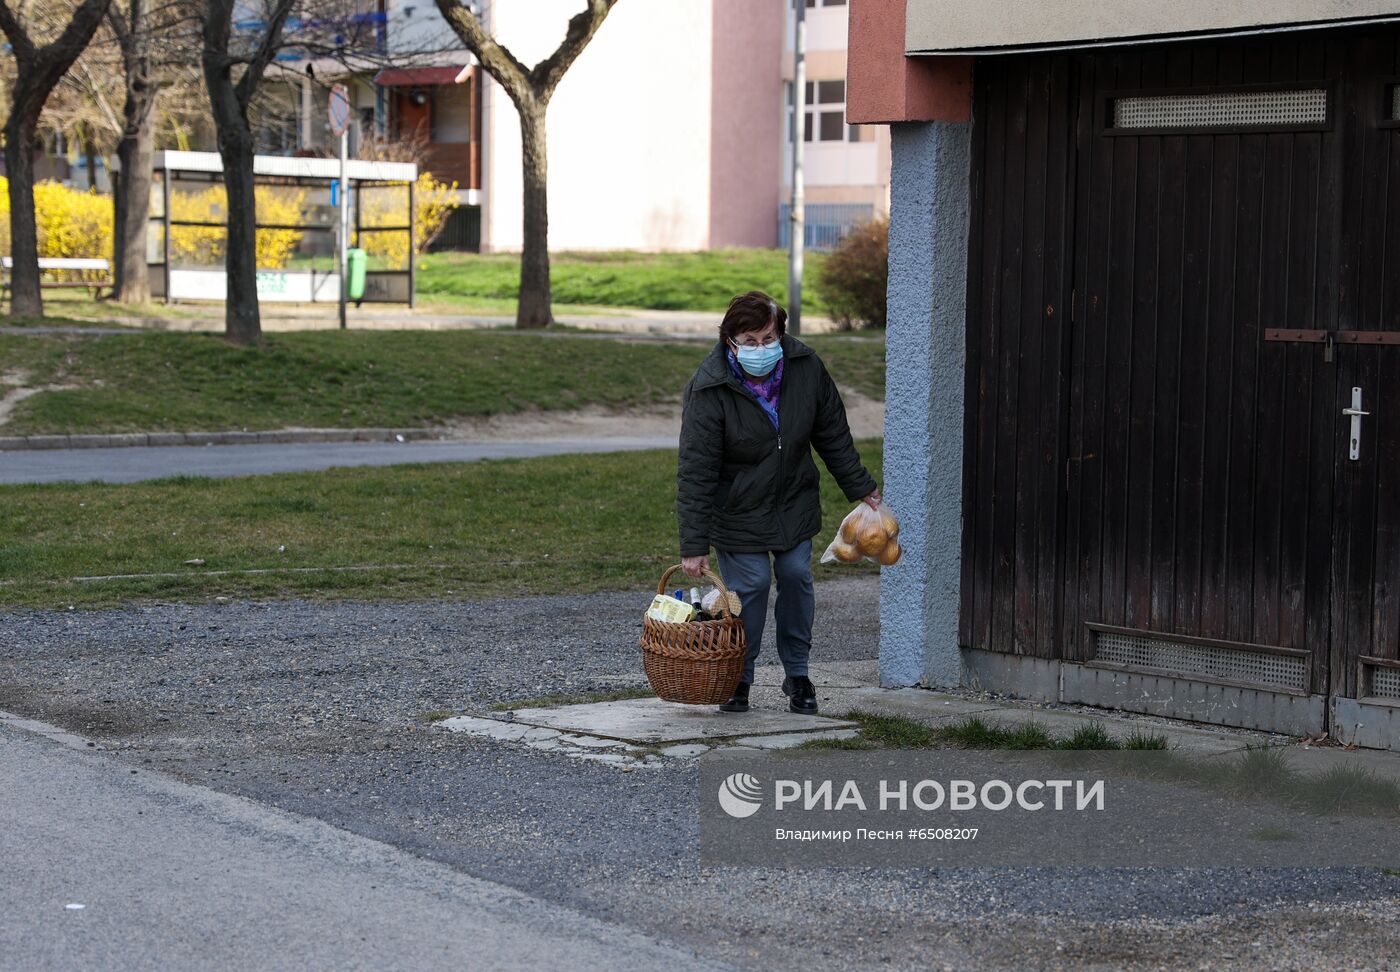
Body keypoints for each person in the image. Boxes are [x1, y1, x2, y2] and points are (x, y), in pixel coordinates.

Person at [676, 291, 879, 715]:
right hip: (738, 509)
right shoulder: (709, 386)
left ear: (781, 334)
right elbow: (696, 468)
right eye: (748, 341)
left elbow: (832, 434)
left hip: (793, 501)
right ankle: (739, 678)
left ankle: (798, 675)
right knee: (749, 587)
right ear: (730, 340)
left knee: (796, 577)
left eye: (768, 338)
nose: (760, 348)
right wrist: (694, 544)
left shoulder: (806, 368)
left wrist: (860, 486)